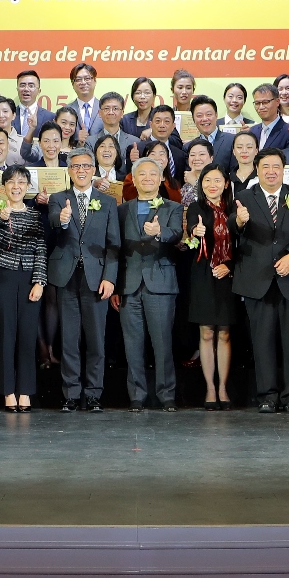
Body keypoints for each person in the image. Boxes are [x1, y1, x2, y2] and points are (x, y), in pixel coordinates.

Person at [233, 149, 289, 413]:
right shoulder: (244, 197)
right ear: (257, 169)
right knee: (262, 342)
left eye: (276, 166)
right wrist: (239, 222)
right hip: (258, 281)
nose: (271, 171)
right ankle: (267, 396)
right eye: (265, 166)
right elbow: (233, 229)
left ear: (283, 169)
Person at [47, 148, 120, 411]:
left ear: (93, 170)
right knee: (69, 339)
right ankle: (71, 393)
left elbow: (114, 245)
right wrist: (62, 220)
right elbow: (54, 223)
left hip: (96, 277)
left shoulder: (107, 202)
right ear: (69, 171)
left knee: (96, 339)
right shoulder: (58, 199)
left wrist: (109, 278)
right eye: (76, 166)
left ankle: (93, 394)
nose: (81, 170)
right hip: (66, 276)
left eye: (86, 166)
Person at [114, 158, 185, 411]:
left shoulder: (173, 207)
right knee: (132, 344)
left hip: (161, 282)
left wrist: (159, 232)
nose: (147, 178)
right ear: (133, 179)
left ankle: (166, 395)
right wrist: (115, 285)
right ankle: (137, 395)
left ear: (161, 178)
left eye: (152, 174)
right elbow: (116, 249)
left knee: (162, 342)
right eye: (141, 174)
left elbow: (176, 234)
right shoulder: (122, 210)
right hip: (129, 284)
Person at [0, 165, 48, 410]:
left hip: (29, 277)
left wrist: (39, 281)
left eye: (21, 182)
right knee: (6, 335)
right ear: (4, 186)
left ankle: (26, 391)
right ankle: (8, 391)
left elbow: (41, 249)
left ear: (28, 187)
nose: (16, 186)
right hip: (3, 277)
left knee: (27, 336)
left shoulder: (35, 215)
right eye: (11, 182)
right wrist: (3, 216)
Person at [185, 163, 239, 410]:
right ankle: (209, 388)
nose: (212, 185)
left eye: (217, 180)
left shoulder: (235, 208)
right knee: (206, 332)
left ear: (226, 184)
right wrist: (195, 231)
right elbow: (191, 228)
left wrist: (230, 266)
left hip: (228, 274)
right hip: (204, 274)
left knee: (224, 332)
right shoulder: (196, 207)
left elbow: (243, 243)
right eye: (207, 180)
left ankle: (224, 387)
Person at [246, 83, 289, 152]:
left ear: (277, 102)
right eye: (257, 103)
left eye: (265, 102)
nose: (261, 107)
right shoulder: (252, 131)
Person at [14, 70, 55, 141]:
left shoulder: (50, 117)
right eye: (22, 85)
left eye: (31, 86)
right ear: (17, 89)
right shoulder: (8, 115)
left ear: (39, 91)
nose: (26, 89)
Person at [67, 62, 102, 139]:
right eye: (78, 79)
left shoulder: (104, 108)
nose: (83, 82)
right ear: (73, 84)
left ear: (95, 81)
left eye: (87, 78)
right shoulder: (66, 110)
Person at [120, 76, 161, 140]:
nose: (142, 97)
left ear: (154, 96)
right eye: (138, 93)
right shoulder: (125, 120)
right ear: (133, 97)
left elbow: (175, 140)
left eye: (147, 93)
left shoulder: (162, 118)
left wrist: (154, 131)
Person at [179, 136, 214, 204]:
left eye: (202, 154)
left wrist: (194, 183)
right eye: (192, 155)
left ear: (211, 158)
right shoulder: (186, 182)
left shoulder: (217, 180)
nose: (196, 158)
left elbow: (212, 204)